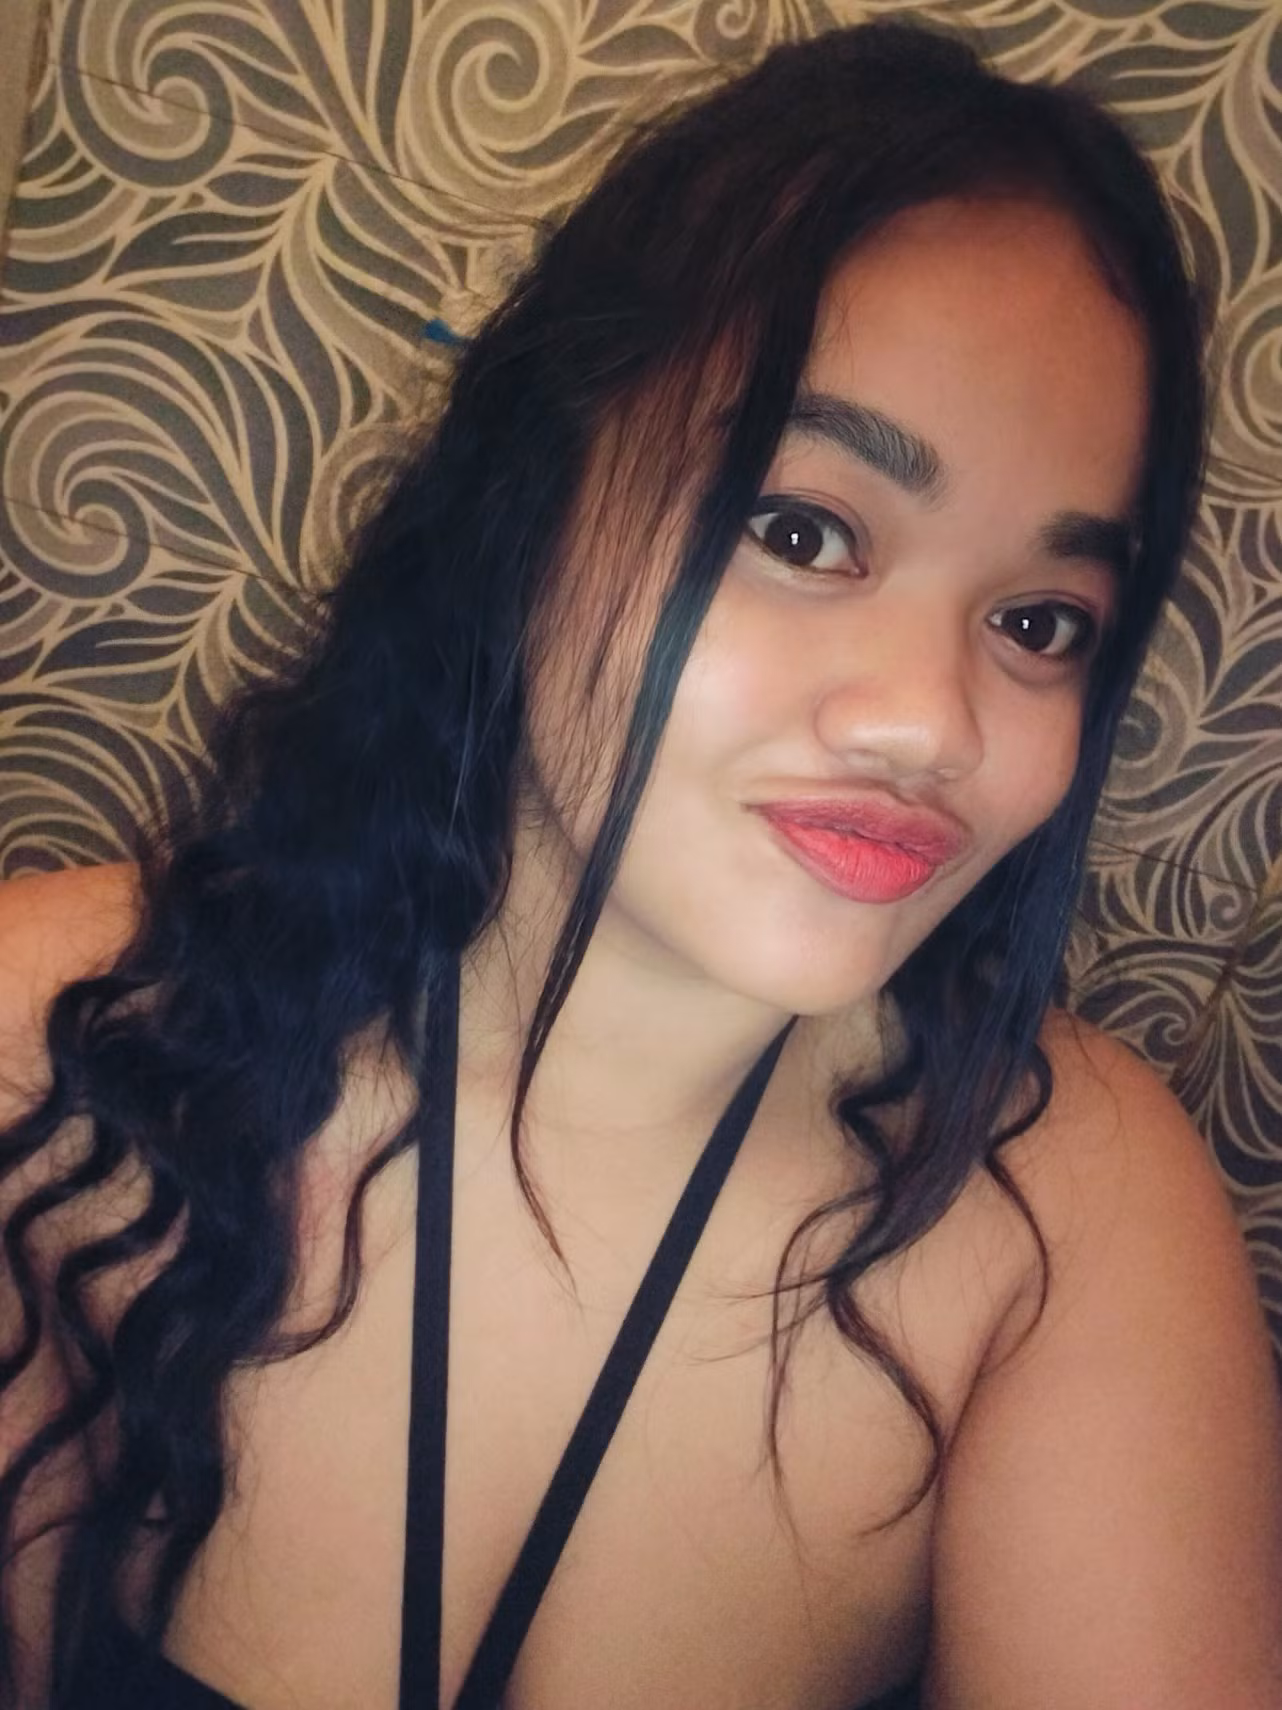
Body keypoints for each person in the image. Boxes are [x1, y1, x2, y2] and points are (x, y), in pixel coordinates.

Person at [0, 18, 1279, 1710]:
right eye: (801, 530)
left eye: (1040, 622)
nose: (929, 724)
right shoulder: (61, 1036)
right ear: (529, 495)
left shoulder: (1067, 1211)